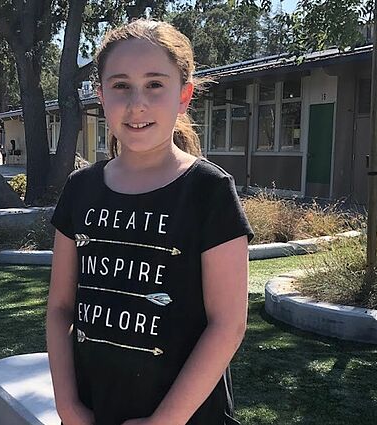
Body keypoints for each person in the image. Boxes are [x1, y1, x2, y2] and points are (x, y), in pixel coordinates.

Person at [47, 19, 253, 425]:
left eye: (155, 84)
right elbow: (60, 307)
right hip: (94, 410)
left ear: (184, 95)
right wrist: (67, 405)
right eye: (120, 85)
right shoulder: (80, 189)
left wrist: (165, 421)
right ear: (100, 95)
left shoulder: (208, 191)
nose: (136, 103)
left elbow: (228, 323)